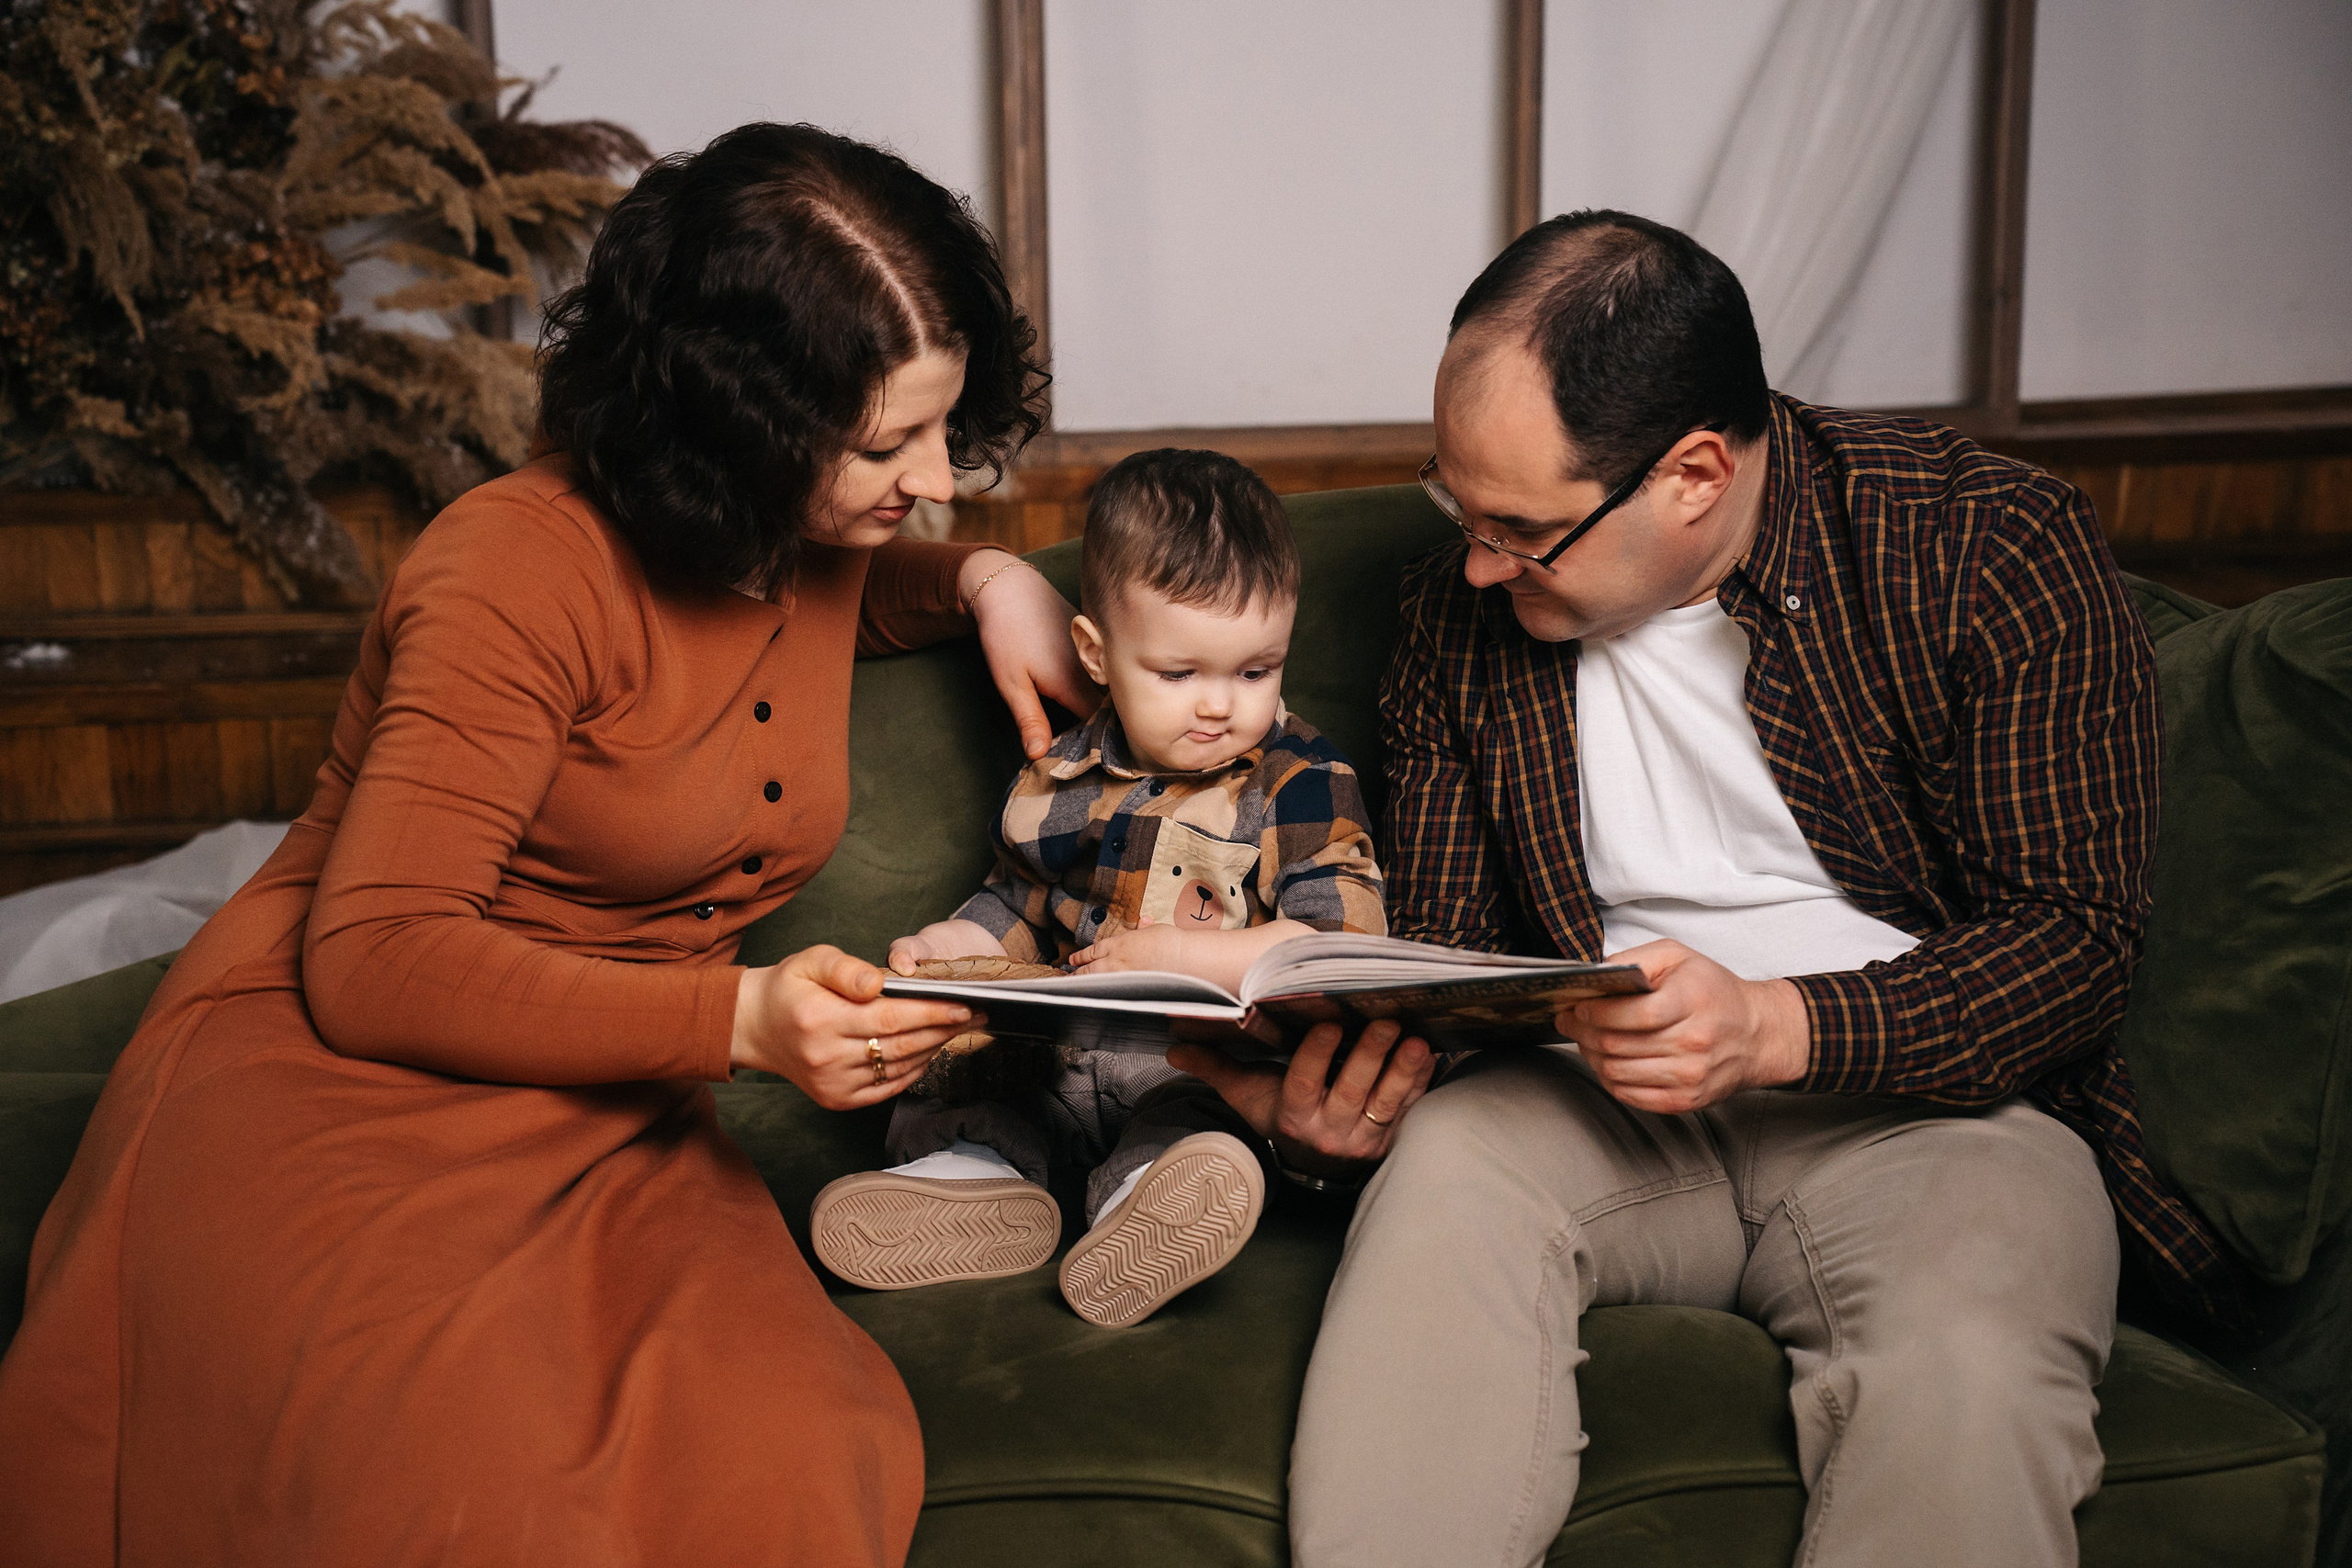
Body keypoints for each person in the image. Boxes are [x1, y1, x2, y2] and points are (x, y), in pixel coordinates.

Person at [0, 123, 1095, 1567]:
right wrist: (742, 1019)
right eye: (890, 444)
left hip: (611, 1114)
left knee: (796, 1457)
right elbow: (374, 957)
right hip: (338, 1095)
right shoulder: (512, 561)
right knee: (486, 1509)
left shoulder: (800, 529)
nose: (938, 479)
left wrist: (989, 579)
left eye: (946, 430)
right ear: (739, 425)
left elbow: (824, 603)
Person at [1175, 210, 2250, 1568]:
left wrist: (1772, 1024)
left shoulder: (1986, 541)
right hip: (1581, 1100)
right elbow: (1452, 952)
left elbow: (2073, 942)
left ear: (1694, 473)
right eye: (1458, 505)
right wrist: (1339, 1101)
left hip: (1937, 1116)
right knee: (1444, 1186)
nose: (1477, 565)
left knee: (1968, 1369)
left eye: (1522, 530)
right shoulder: (1458, 617)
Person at [814, 449, 1388, 1329]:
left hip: (1191, 1067)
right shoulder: (1062, 772)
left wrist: (1180, 954)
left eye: (1254, 670)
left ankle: (1145, 1207)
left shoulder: (1300, 782)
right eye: (1179, 673)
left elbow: (1340, 948)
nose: (1219, 705)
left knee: (1195, 1124)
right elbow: (1015, 904)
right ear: (1096, 651)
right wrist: (943, 950)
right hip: (1058, 1056)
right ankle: (970, 1179)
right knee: (975, 1076)